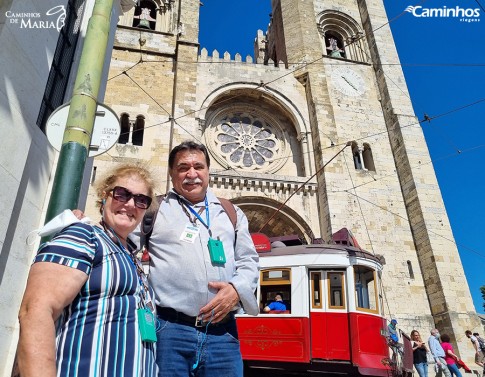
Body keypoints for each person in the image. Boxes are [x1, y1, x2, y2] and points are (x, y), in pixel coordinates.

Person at [132, 141, 259, 377]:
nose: (192, 174)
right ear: (172, 174)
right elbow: (119, 238)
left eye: (198, 166)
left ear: (208, 171)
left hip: (223, 333)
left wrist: (236, 289)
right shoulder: (153, 210)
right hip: (170, 331)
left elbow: (249, 261)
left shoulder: (231, 212)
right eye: (183, 168)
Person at [17, 164, 158, 377]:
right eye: (121, 194)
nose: (130, 204)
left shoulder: (130, 256)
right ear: (104, 195)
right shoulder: (84, 236)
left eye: (141, 200)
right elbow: (35, 310)